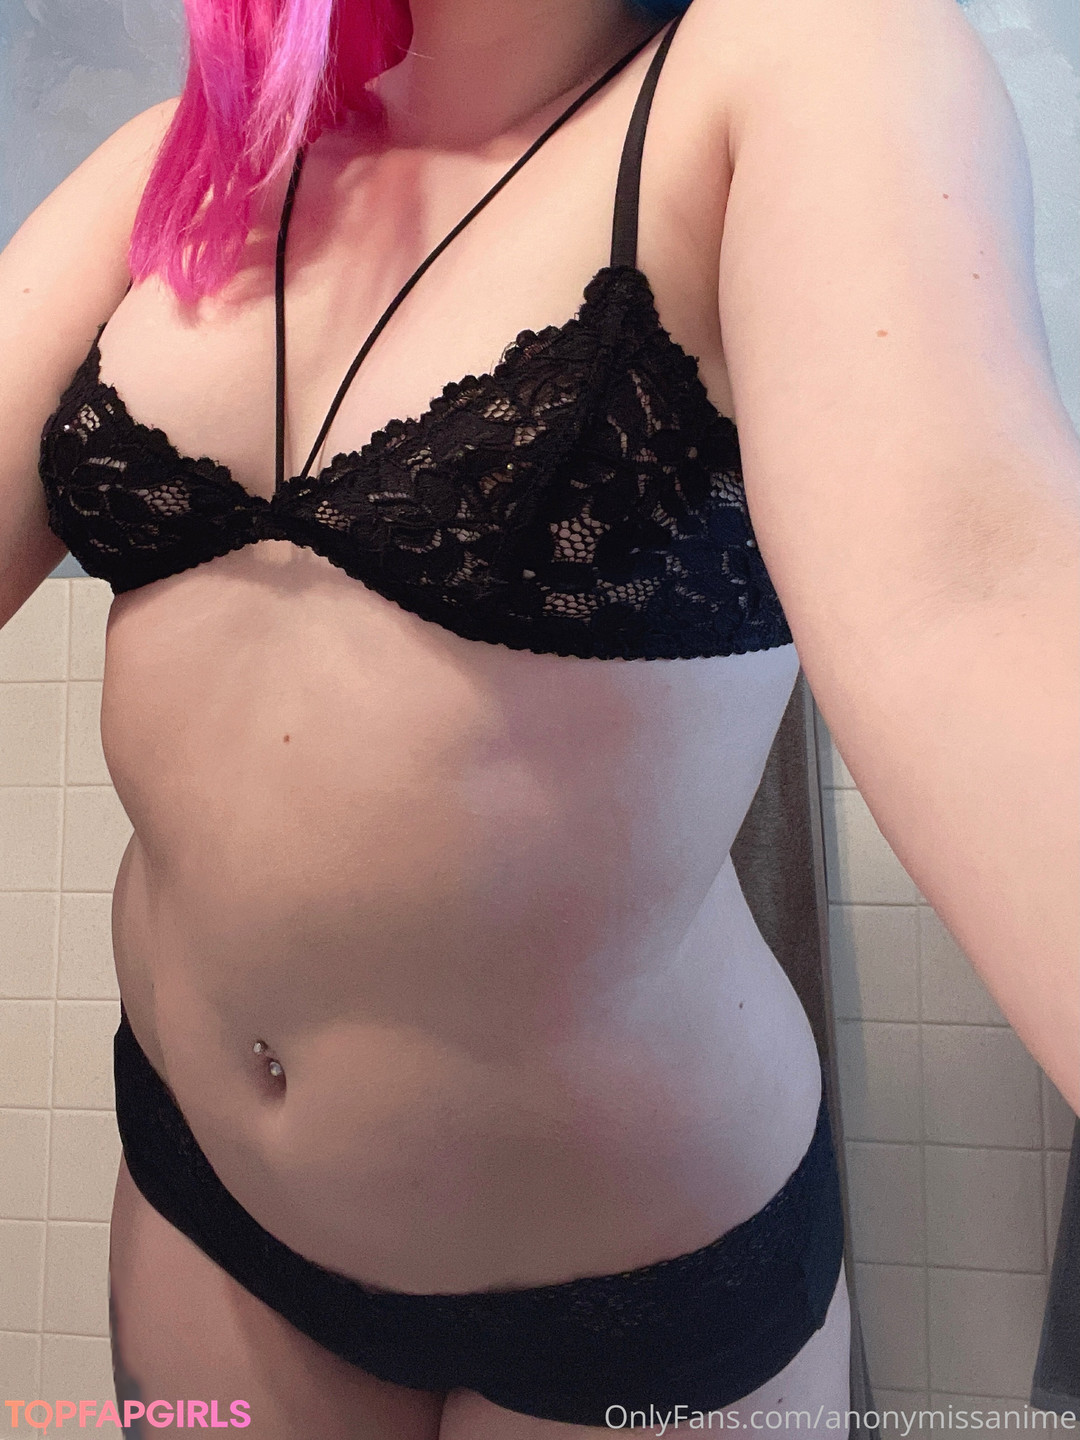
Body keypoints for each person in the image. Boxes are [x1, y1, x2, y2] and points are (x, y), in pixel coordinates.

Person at [2, 0, 1077, 1433]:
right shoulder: (186, 162)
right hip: (208, 1202)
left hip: (631, 1278)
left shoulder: (796, 65)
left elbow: (972, 599)